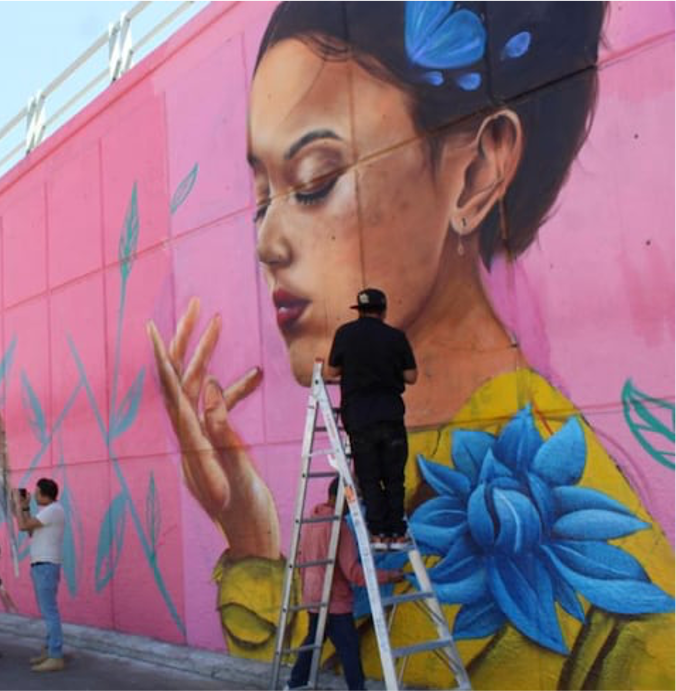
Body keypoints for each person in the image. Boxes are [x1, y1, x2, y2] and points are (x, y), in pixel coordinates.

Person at [149, 0, 676, 687]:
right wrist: (247, 532)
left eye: (314, 182)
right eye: (259, 198)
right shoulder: (375, 476)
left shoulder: (618, 613)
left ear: (476, 171)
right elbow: (303, 653)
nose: (266, 242)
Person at [287, 479, 401, 691]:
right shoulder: (340, 528)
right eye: (351, 497)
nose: (353, 503)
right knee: (348, 648)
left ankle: (294, 683)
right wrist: (388, 576)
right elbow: (354, 573)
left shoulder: (312, 521)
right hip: (334, 600)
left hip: (313, 595)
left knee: (314, 640)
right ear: (337, 497)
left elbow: (302, 560)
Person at [325, 288, 417, 546]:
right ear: (383, 311)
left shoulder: (345, 334)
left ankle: (377, 532)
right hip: (390, 415)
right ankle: (397, 531)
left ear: (359, 311)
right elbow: (411, 376)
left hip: (359, 417)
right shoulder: (395, 337)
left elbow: (331, 371)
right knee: (394, 477)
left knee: (369, 477)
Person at [13, 479, 65, 672]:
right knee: (48, 611)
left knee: (50, 612)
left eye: (36, 493)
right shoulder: (49, 512)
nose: (34, 496)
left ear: (44, 494)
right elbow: (31, 531)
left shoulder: (52, 510)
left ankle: (56, 655)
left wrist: (18, 505)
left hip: (46, 566)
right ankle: (50, 650)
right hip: (43, 565)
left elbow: (22, 526)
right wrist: (25, 508)